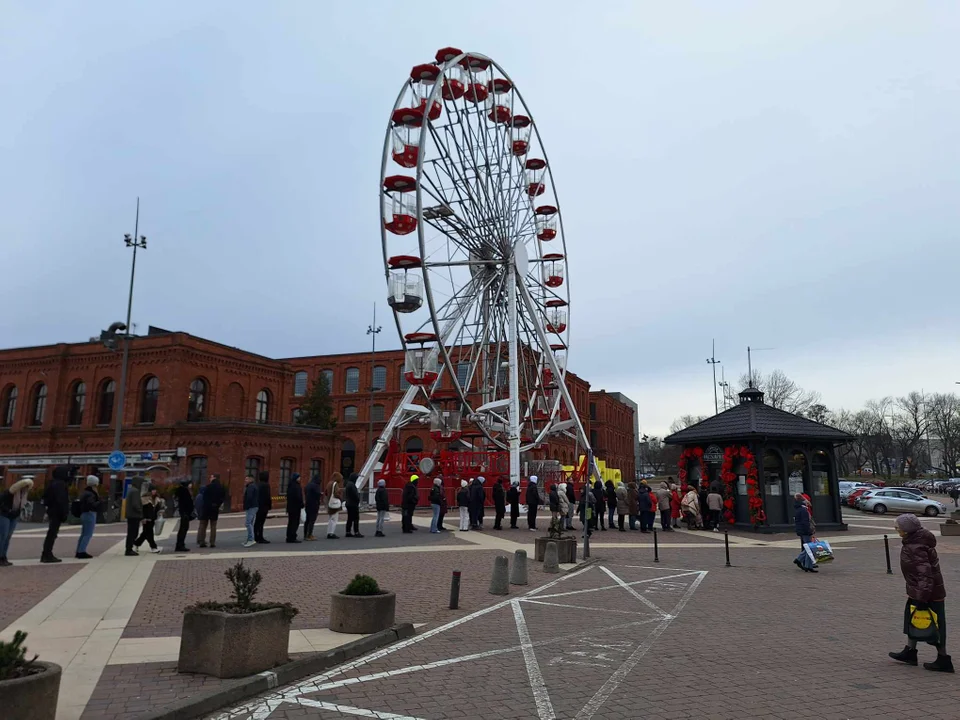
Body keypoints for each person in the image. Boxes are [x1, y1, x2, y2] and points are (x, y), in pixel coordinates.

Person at [889, 513, 953, 672]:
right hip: (919, 591)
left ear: (907, 530)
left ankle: (943, 659)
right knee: (913, 620)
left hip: (928, 593)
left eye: (898, 528)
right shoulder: (913, 542)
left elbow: (925, 574)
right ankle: (910, 652)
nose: (896, 530)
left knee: (935, 625)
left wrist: (921, 597)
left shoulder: (916, 547)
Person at [0, 476, 33, 567]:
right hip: (5, 515)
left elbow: (21, 505)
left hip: (14, 516)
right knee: (3, 536)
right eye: (25, 486)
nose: (26, 488)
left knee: (8, 537)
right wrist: (9, 510)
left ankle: (3, 556)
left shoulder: (24, 495)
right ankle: (0, 556)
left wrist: (17, 512)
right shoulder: (9, 493)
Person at [42, 465, 70, 563]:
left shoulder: (52, 483)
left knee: (51, 533)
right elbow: (61, 500)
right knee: (52, 533)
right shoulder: (60, 484)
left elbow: (45, 498)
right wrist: (64, 513)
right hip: (57, 512)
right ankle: (47, 554)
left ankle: (46, 553)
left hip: (52, 510)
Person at [75, 475, 100, 559]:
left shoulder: (84, 492)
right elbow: (91, 504)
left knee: (83, 534)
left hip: (84, 514)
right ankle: (82, 551)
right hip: (90, 513)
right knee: (88, 534)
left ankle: (79, 550)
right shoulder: (91, 494)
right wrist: (99, 503)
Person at [792, 493, 817, 572]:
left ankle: (808, 565)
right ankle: (799, 559)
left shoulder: (798, 508)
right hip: (805, 531)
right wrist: (809, 531)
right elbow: (805, 522)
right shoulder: (803, 510)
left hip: (801, 530)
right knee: (809, 547)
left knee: (807, 547)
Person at [198, 474, 225, 548]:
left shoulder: (208, 487)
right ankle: (212, 542)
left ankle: (201, 541)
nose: (210, 478)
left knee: (203, 524)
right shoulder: (221, 487)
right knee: (213, 526)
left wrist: (207, 504)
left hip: (206, 508)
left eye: (211, 477)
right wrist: (217, 504)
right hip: (215, 508)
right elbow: (222, 498)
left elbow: (204, 498)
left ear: (214, 478)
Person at [134, 486, 161, 554]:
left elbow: (157, 509)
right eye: (152, 490)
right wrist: (143, 518)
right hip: (146, 518)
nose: (154, 491)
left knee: (146, 533)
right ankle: (153, 547)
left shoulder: (157, 499)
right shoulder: (144, 499)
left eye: (155, 490)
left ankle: (136, 543)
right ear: (149, 491)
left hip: (153, 518)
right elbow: (142, 510)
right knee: (149, 533)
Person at [124, 476, 145, 557]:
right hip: (134, 515)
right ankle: (129, 549)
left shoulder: (131, 490)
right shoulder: (135, 491)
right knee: (133, 533)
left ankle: (129, 548)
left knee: (131, 532)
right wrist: (141, 512)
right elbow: (135, 504)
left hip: (130, 515)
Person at [174, 479, 194, 552]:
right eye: (190, 484)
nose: (191, 485)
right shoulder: (185, 491)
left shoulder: (180, 491)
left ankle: (180, 544)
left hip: (183, 512)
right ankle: (180, 545)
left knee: (182, 529)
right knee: (183, 529)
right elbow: (188, 503)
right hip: (185, 513)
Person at [254, 471, 272, 544]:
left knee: (257, 522)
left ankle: (256, 536)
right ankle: (260, 537)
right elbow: (267, 496)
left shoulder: (257, 484)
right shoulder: (266, 485)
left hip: (257, 505)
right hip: (264, 506)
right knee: (261, 522)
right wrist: (269, 505)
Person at [286, 472, 304, 543]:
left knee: (291, 522)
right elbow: (298, 497)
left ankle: (289, 536)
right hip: (296, 507)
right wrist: (301, 504)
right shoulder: (296, 486)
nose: (300, 478)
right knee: (295, 522)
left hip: (290, 507)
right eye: (299, 477)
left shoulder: (290, 485)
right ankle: (292, 537)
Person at [326, 472, 344, 539]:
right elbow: (336, 493)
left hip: (329, 502)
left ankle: (329, 532)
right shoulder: (335, 484)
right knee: (334, 519)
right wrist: (340, 497)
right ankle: (331, 533)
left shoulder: (329, 483)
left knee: (330, 518)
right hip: (334, 503)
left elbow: (326, 492)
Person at [345, 473, 363, 538]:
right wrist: (358, 500)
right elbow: (355, 495)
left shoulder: (348, 484)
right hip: (353, 504)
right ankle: (356, 532)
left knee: (349, 518)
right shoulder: (352, 485)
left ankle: (348, 531)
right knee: (356, 518)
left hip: (348, 503)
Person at [242, 475, 258, 548]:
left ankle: (251, 539)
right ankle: (249, 539)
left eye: (246, 479)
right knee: (250, 523)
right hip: (253, 506)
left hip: (251, 506)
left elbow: (249, 497)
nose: (245, 480)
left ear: (251, 480)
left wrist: (246, 506)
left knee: (248, 523)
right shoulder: (253, 486)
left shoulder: (250, 487)